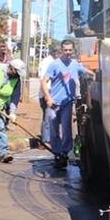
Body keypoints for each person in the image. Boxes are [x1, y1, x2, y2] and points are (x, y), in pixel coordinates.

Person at [42, 40, 88, 168]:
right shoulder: (54, 65)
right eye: (65, 50)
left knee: (67, 129)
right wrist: (48, 98)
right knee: (54, 130)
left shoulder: (75, 65)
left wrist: (98, 76)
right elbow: (44, 81)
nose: (68, 52)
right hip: (54, 102)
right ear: (62, 50)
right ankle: (57, 153)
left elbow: (86, 72)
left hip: (67, 102)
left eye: (70, 50)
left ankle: (64, 153)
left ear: (73, 50)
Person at [37, 47, 59, 144]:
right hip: (47, 92)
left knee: (49, 116)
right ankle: (46, 140)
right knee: (48, 117)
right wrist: (47, 95)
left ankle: (48, 137)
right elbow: (43, 79)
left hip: (51, 92)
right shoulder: (47, 62)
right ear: (55, 53)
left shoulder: (53, 62)